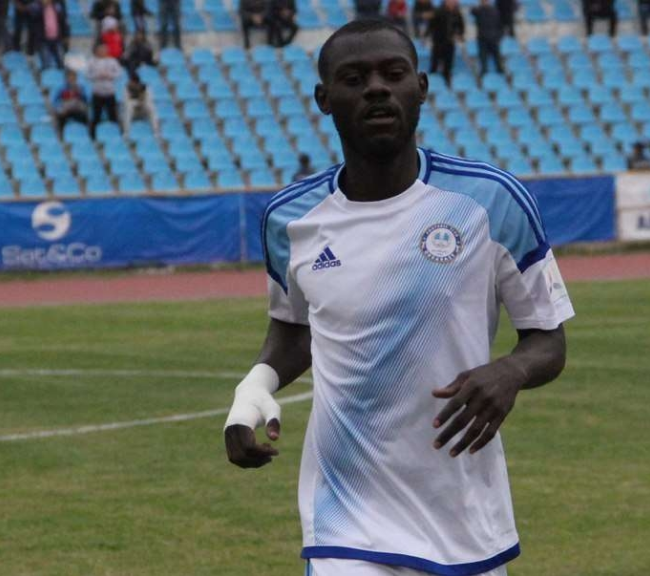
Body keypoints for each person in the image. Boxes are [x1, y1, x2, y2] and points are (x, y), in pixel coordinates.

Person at [223, 18, 573, 576]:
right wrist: (253, 389)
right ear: (324, 99)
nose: (377, 89)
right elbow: (293, 332)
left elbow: (548, 339)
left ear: (421, 87)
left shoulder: (491, 201)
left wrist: (511, 370)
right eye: (354, 79)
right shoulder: (290, 219)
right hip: (345, 520)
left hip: (463, 515)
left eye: (393, 73)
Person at [87, 41, 122, 139]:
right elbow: (87, 74)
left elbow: (119, 73)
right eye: (100, 49)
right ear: (96, 50)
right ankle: (93, 136)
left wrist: (109, 75)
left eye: (104, 49)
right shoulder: (91, 61)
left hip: (109, 93)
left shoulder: (112, 61)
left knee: (113, 116)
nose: (102, 51)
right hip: (97, 93)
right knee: (96, 116)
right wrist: (97, 75)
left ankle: (117, 135)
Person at [427, 0, 464, 87]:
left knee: (448, 66)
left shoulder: (457, 13)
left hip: (450, 43)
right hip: (438, 42)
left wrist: (458, 34)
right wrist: (427, 36)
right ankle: (430, 86)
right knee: (434, 65)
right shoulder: (438, 11)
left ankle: (447, 86)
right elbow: (431, 25)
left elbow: (461, 27)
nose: (452, 2)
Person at [471, 0, 503, 78]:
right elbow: (472, 11)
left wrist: (498, 36)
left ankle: (500, 74)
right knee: (483, 58)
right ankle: (484, 75)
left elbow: (499, 24)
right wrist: (480, 6)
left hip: (493, 38)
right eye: (483, 1)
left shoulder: (494, 10)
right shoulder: (479, 10)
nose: (484, 2)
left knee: (497, 58)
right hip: (482, 38)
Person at [53, 69, 89, 135]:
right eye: (69, 77)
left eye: (73, 78)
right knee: (61, 116)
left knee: (85, 116)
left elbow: (86, 100)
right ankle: (61, 135)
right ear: (66, 78)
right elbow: (55, 101)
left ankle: (85, 134)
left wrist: (80, 92)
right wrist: (60, 107)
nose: (71, 79)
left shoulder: (81, 87)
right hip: (66, 110)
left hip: (76, 109)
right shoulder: (61, 88)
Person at [37, 0, 67, 69]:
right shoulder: (38, 5)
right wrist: (42, 6)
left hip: (57, 38)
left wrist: (65, 35)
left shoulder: (58, 4)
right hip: (43, 40)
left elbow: (63, 20)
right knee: (46, 64)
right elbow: (33, 16)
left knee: (61, 63)